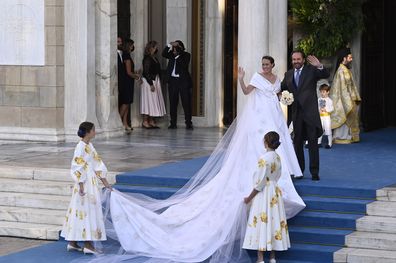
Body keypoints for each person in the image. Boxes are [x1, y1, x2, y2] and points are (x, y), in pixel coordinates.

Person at [93, 56, 305, 263]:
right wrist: (241, 78)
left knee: (277, 145)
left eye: (268, 64)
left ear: (273, 65)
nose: (265, 67)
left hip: (272, 113)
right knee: (257, 147)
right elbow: (247, 92)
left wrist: (284, 99)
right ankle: (266, 255)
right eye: (263, 64)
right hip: (260, 116)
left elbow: (277, 94)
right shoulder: (258, 78)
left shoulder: (277, 79)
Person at [60, 122, 112, 254]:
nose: (95, 132)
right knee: (86, 210)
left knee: (82, 209)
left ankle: (73, 242)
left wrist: (105, 182)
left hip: (90, 181)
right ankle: (88, 244)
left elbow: (97, 164)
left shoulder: (89, 145)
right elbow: (77, 166)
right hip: (85, 183)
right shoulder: (80, 147)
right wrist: (81, 184)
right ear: (88, 132)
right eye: (94, 130)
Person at [281, 51, 330, 181]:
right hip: (296, 114)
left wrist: (319, 65)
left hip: (310, 114)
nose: (296, 61)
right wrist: (283, 97)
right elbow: (281, 89)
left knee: (313, 144)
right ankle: (299, 171)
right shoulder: (288, 74)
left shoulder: (311, 71)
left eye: (298, 59)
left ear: (303, 60)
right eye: (293, 59)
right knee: (297, 144)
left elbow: (326, 74)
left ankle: (314, 172)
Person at [243, 131, 290, 263]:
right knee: (273, 221)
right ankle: (273, 257)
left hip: (264, 193)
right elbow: (278, 175)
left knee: (262, 221)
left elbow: (260, 183)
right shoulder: (277, 157)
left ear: (266, 142)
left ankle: (260, 258)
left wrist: (249, 198)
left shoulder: (264, 159)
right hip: (275, 191)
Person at [330, 48, 361, 144]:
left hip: (349, 97)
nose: (351, 59)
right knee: (344, 113)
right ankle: (341, 137)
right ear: (344, 58)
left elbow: (352, 85)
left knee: (350, 115)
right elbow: (342, 88)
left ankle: (349, 136)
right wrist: (348, 100)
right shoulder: (341, 71)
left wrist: (355, 96)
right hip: (344, 98)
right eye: (350, 57)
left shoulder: (346, 69)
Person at [162, 40, 193, 130]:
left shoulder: (186, 55)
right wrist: (169, 45)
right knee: (173, 103)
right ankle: (173, 123)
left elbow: (184, 65)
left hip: (183, 82)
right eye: (174, 48)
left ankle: (188, 123)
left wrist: (177, 55)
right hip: (172, 81)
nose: (174, 50)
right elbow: (164, 54)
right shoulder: (171, 54)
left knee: (186, 103)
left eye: (176, 48)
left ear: (181, 48)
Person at [140, 41, 166, 129]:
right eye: (155, 47)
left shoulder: (154, 57)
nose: (156, 49)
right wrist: (151, 84)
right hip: (149, 82)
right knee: (148, 101)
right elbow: (146, 72)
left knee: (153, 101)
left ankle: (151, 120)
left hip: (155, 80)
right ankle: (145, 121)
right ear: (151, 48)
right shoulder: (147, 58)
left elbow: (157, 70)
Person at [120, 39, 140, 133]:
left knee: (128, 103)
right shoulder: (127, 56)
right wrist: (136, 77)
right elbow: (128, 72)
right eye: (132, 45)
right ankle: (119, 122)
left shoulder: (126, 55)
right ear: (129, 46)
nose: (133, 47)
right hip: (126, 82)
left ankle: (125, 123)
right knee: (125, 102)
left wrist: (134, 73)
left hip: (128, 81)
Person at [318, 84, 334, 148]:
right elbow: (317, 107)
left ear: (328, 92)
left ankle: (330, 143)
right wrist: (319, 110)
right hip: (320, 116)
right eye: (321, 92)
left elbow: (332, 108)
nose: (322, 93)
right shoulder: (319, 99)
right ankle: (319, 142)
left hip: (327, 117)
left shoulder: (329, 100)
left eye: (324, 92)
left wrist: (326, 109)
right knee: (320, 129)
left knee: (328, 129)